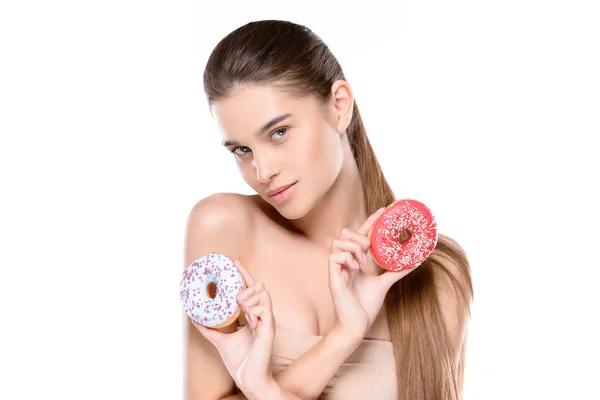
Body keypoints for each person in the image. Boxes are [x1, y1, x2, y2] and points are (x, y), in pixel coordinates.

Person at [183, 19, 473, 400]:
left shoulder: (435, 280)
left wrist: (263, 389)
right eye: (242, 150)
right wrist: (342, 338)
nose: (263, 171)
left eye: (279, 133)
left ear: (340, 106)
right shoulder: (224, 230)